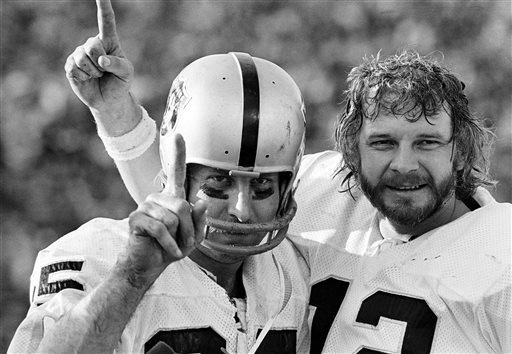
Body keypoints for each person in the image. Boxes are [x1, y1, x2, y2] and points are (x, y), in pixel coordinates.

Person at [85, 24, 512, 351]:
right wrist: (116, 114)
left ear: (460, 152)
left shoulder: (501, 252)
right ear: (351, 152)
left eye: (427, 142)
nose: (403, 164)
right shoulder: (317, 192)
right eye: (382, 142)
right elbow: (188, 207)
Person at [7, 1, 310, 353]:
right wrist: (132, 278)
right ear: (175, 171)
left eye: (261, 186)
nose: (241, 210)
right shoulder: (97, 256)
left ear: (287, 187)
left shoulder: (294, 271)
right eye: (217, 184)